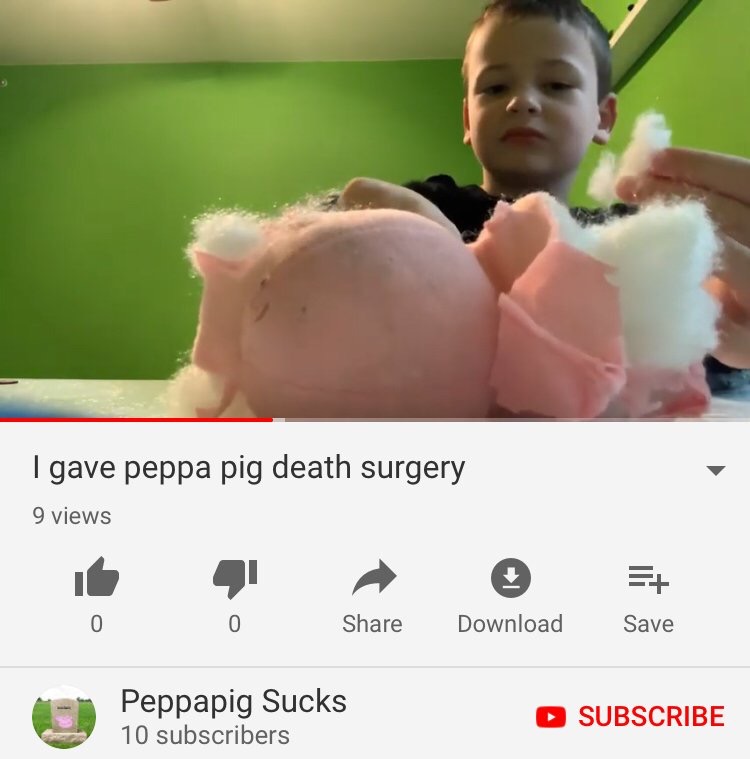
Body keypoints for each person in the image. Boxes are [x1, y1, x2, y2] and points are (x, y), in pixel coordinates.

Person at [336, 0, 750, 388]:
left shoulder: (634, 237)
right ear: (467, 120)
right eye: (495, 87)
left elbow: (691, 364)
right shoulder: (432, 208)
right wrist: (362, 233)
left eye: (556, 84)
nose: (522, 101)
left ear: (603, 118)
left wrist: (729, 339)